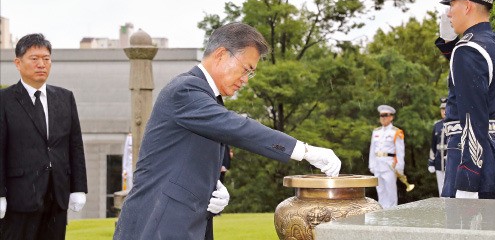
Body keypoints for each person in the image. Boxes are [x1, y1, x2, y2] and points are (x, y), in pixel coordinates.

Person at [113, 22, 341, 240]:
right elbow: (238, 128)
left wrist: (211, 187)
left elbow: (183, 160)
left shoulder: (205, 98)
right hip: (156, 225)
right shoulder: (185, 90)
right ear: (221, 54)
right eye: (246, 69)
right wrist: (305, 151)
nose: (246, 80)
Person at [434, 0, 495, 199]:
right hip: (491, 154)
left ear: (467, 6)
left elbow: (471, 117)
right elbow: (471, 75)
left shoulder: (468, 49)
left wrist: (469, 177)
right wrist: (450, 43)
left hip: (471, 159)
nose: (448, 12)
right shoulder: (491, 42)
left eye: (452, 5)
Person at [0, 33, 88, 239]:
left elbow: (75, 144)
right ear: (18, 63)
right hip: (19, 197)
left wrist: (78, 188)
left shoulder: (65, 98)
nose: (42, 64)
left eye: (46, 59)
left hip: (56, 196)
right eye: (34, 59)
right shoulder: (5, 100)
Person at [368, 105, 405, 208]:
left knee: (391, 192)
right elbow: (372, 150)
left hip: (390, 166)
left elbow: (400, 151)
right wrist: (371, 165)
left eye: (385, 115)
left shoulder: (396, 132)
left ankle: (392, 214)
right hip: (377, 165)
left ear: (391, 117)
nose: (383, 118)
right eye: (381, 116)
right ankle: (382, 215)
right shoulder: (376, 132)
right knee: (380, 191)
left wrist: (399, 167)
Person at [428, 98, 448, 196]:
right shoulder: (437, 125)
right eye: (442, 109)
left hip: (450, 162)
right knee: (441, 188)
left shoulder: (455, 124)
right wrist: (431, 162)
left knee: (450, 188)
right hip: (438, 162)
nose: (444, 111)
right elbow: (433, 145)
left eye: (446, 108)